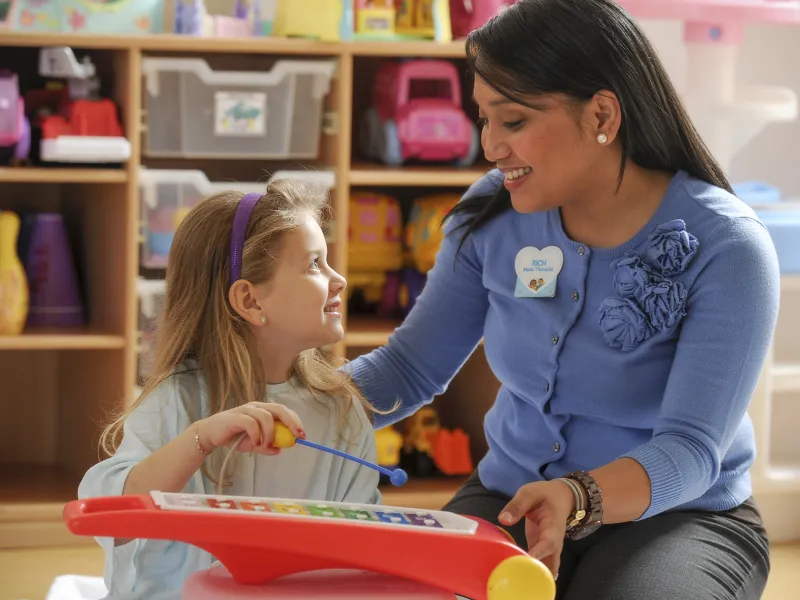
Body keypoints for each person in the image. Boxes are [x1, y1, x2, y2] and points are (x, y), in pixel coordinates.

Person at [348, 0, 778, 598]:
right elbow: (409, 367)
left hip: (679, 519)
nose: (491, 146)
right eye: (484, 119)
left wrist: (581, 496)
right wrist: (288, 404)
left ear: (602, 112)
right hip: (511, 499)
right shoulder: (491, 215)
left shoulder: (727, 247)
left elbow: (691, 450)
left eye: (514, 122)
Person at [79, 180, 382, 599]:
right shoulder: (179, 397)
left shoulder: (343, 412)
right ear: (251, 301)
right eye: (315, 264)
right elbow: (111, 515)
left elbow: (361, 551)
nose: (339, 280)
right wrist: (202, 439)